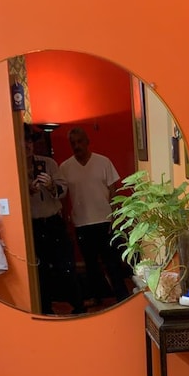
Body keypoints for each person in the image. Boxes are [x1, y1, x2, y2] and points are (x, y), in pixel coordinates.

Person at [60, 126, 131, 304]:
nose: (77, 146)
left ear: (87, 142)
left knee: (112, 263)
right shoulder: (65, 167)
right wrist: (65, 221)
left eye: (80, 141)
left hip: (105, 220)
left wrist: (115, 216)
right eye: (73, 143)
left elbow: (113, 191)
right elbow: (62, 196)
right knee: (90, 265)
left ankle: (122, 297)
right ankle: (98, 298)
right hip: (82, 223)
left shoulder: (103, 162)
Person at [24, 125, 84, 315]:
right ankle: (45, 311)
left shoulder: (48, 163)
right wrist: (28, 191)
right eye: (23, 141)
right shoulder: (13, 168)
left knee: (66, 266)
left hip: (53, 223)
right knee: (39, 272)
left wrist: (50, 185)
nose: (28, 145)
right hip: (31, 226)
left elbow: (63, 191)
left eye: (30, 141)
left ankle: (78, 307)